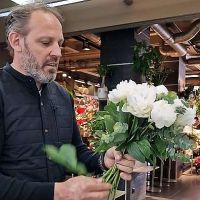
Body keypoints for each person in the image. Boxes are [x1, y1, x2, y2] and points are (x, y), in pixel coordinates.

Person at [0, 3, 135, 200]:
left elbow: (75, 150)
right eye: (46, 42)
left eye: (60, 43)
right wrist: (57, 192)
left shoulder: (62, 96)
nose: (58, 52)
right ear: (16, 41)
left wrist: (103, 160)